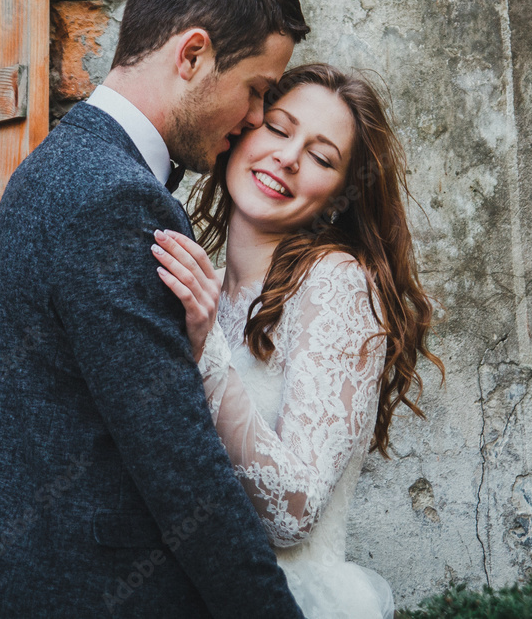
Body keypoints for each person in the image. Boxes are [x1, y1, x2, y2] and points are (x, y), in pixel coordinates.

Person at [0, 0, 311, 618]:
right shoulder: (116, 198)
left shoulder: (57, 165)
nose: (256, 119)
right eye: (255, 90)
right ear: (192, 54)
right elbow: (181, 469)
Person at [151, 64, 444, 619]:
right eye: (280, 129)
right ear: (242, 132)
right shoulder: (211, 285)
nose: (288, 157)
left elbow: (295, 511)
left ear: (337, 198)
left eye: (322, 157)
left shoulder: (336, 285)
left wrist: (204, 350)